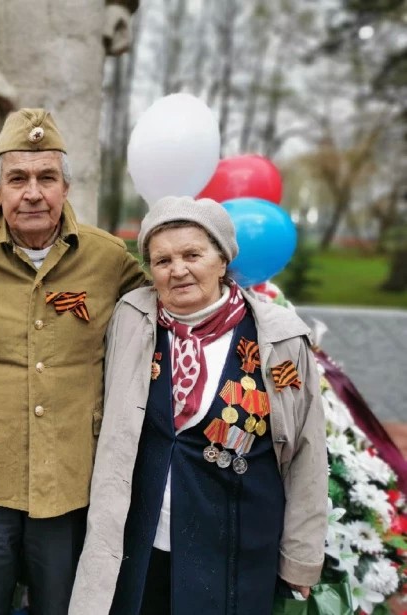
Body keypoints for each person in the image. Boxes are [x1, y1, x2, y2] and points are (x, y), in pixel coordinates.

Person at [0, 108, 147, 615]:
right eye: (17, 178)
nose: (32, 192)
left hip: (70, 478)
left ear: (65, 188)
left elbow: (167, 315)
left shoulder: (108, 259)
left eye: (47, 177)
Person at [69, 196, 327, 615]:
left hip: (236, 551)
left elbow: (307, 453)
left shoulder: (279, 340)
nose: (178, 270)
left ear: (222, 260)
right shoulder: (132, 320)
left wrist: (300, 556)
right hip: (144, 546)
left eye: (193, 254)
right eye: (163, 260)